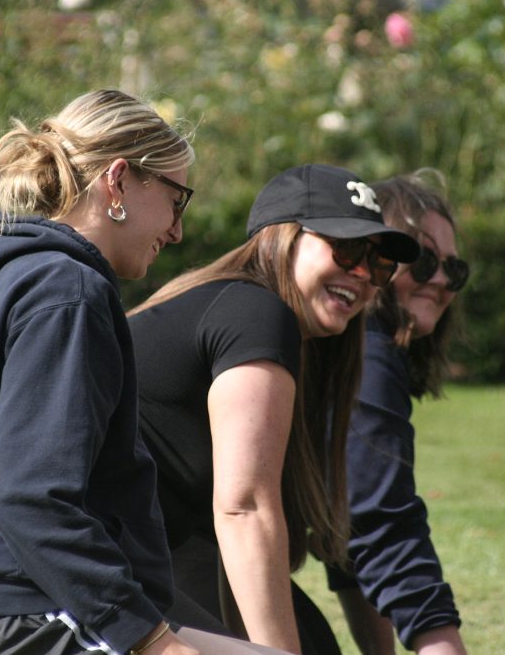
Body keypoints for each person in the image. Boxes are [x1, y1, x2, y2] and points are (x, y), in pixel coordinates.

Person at [0, 89, 285, 655]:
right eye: (178, 200)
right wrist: (151, 641)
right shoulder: (66, 290)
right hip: (26, 618)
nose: (177, 231)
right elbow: (31, 499)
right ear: (119, 181)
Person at [128, 164, 421, 654]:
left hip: (150, 554)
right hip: (77, 574)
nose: (365, 276)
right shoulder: (255, 312)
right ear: (281, 238)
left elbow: (344, 537)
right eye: (347, 249)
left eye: (380, 264)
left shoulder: (254, 319)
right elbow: (244, 509)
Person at [323, 169, 470, 655]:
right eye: (424, 262)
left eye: (455, 268)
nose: (443, 281)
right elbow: (381, 521)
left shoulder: (356, 347)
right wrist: (441, 644)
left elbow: (346, 521)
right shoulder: (367, 352)